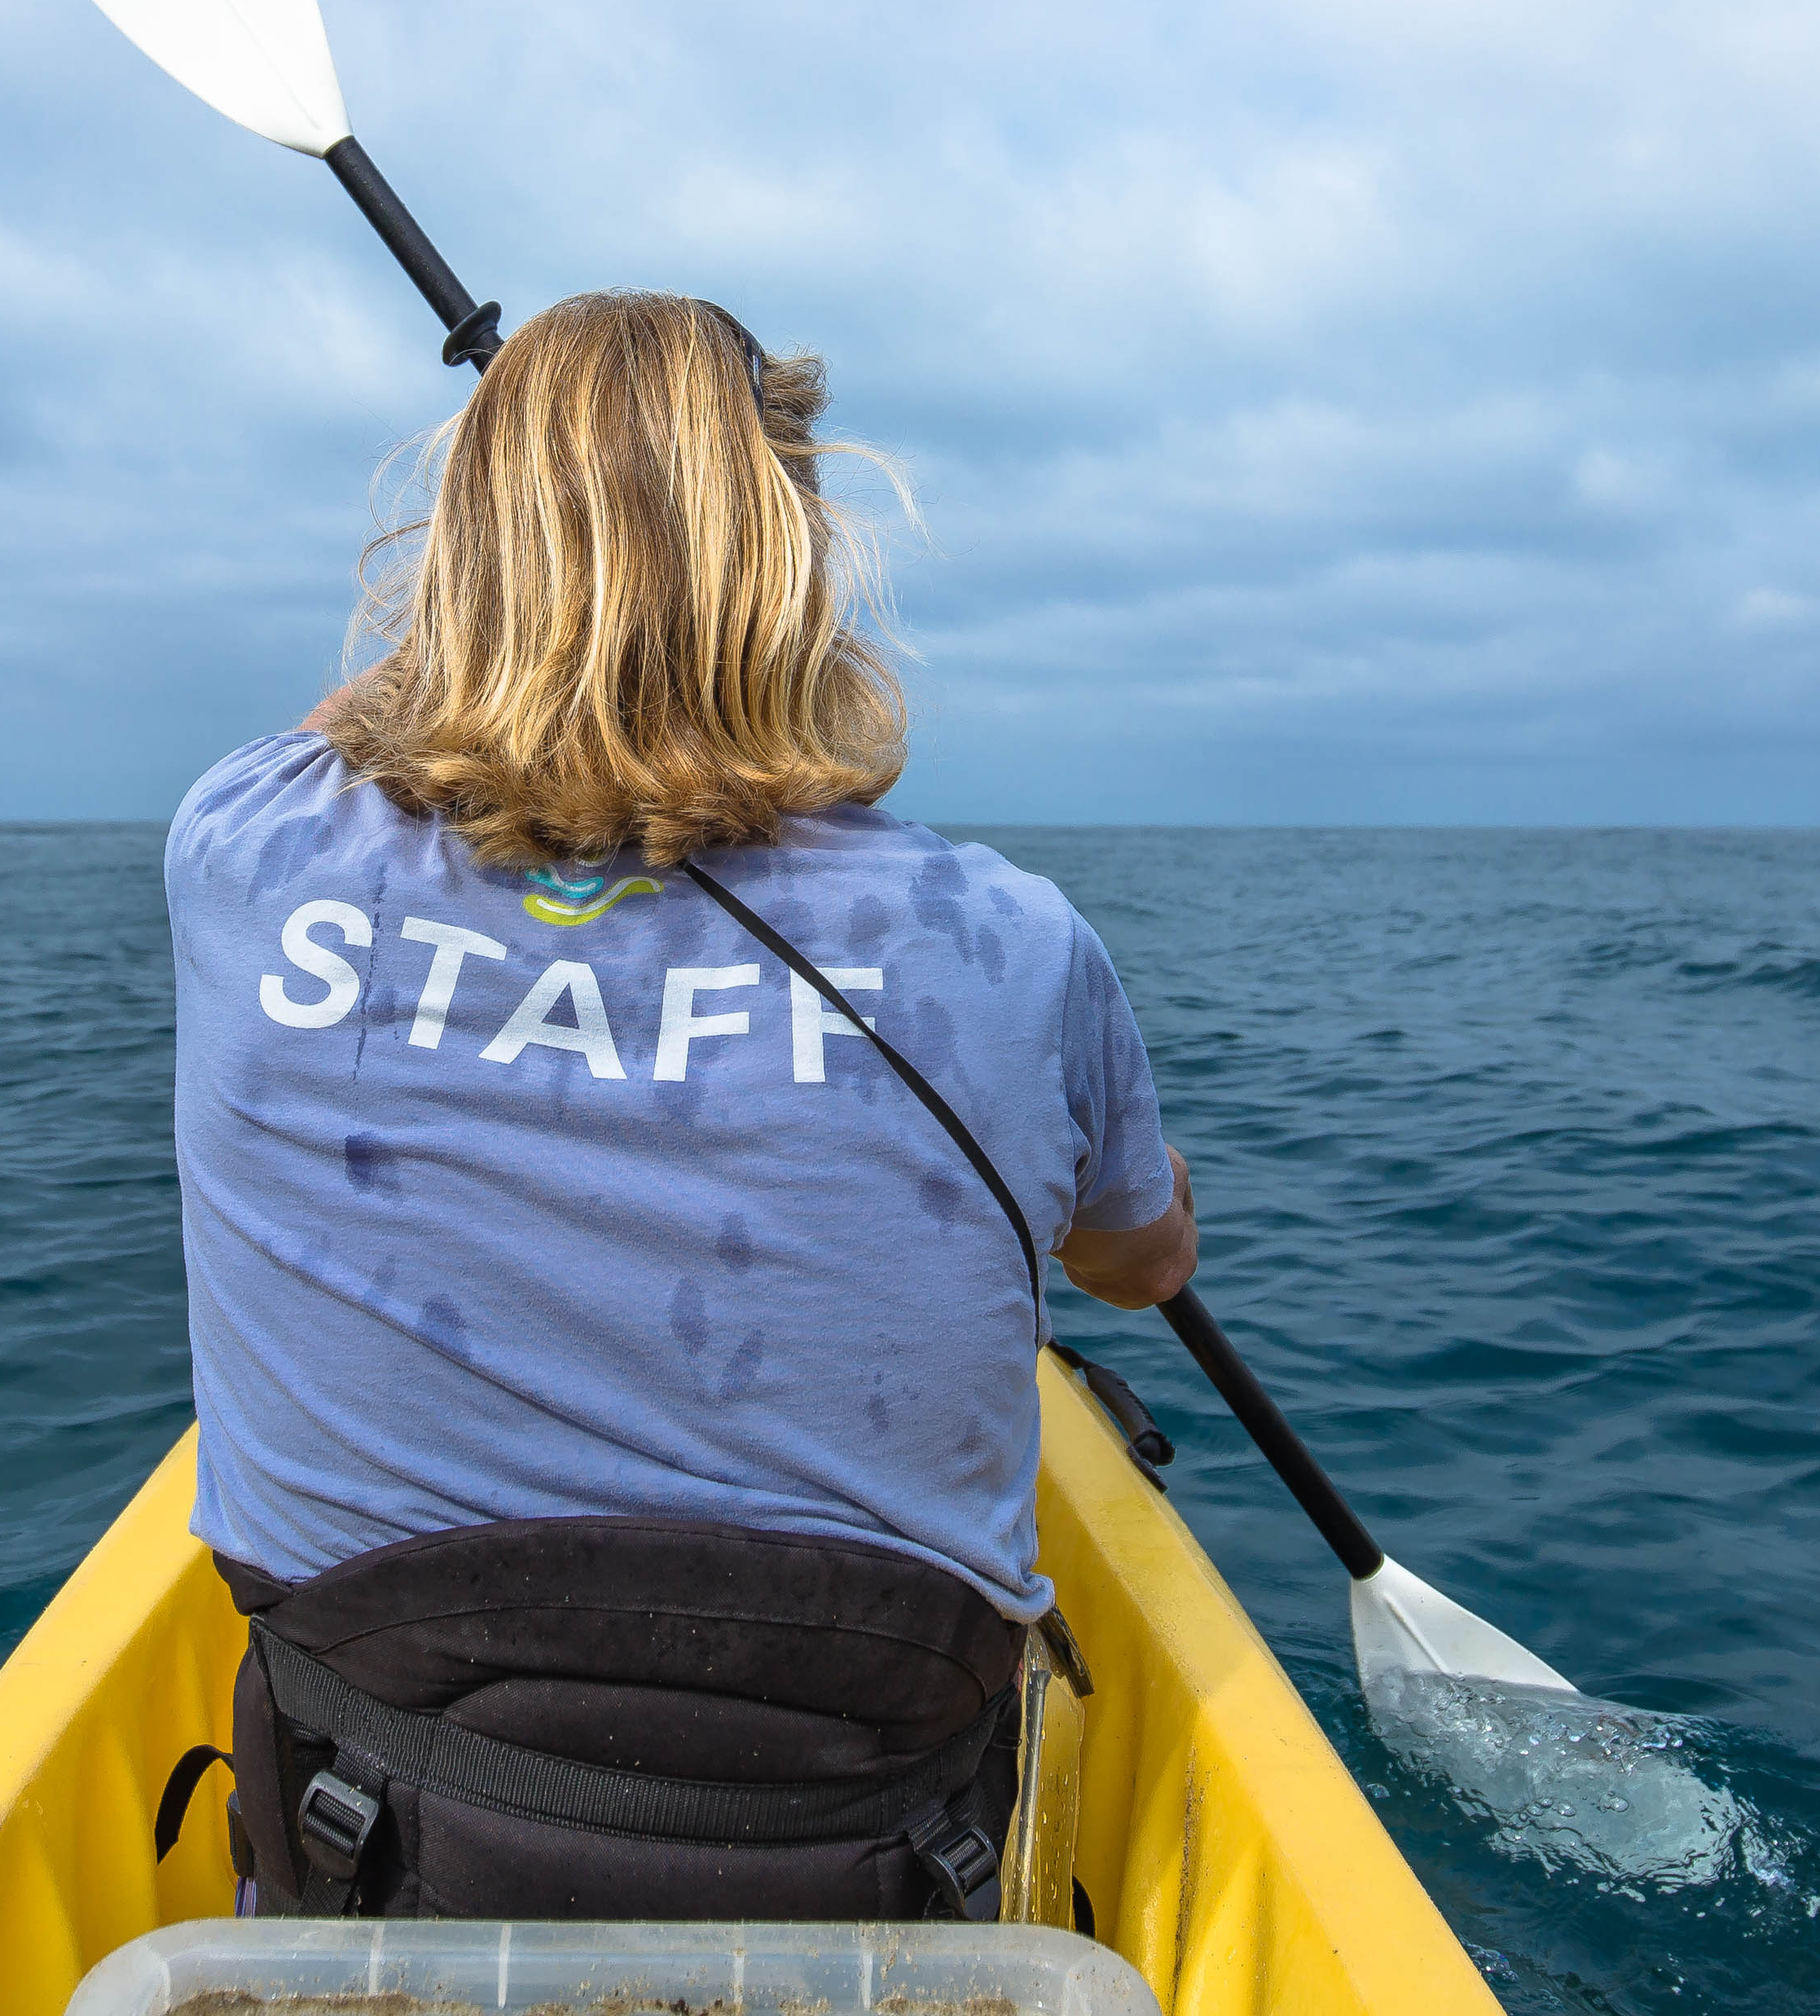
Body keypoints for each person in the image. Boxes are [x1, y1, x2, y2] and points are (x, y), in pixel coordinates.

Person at [165, 291, 1196, 1922]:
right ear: (792, 554)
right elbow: (1139, 1266)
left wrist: (531, 561)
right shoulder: (1012, 942)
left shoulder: (246, 845)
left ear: (466, 551)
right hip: (875, 1872)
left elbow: (370, 721)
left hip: (375, 1850)